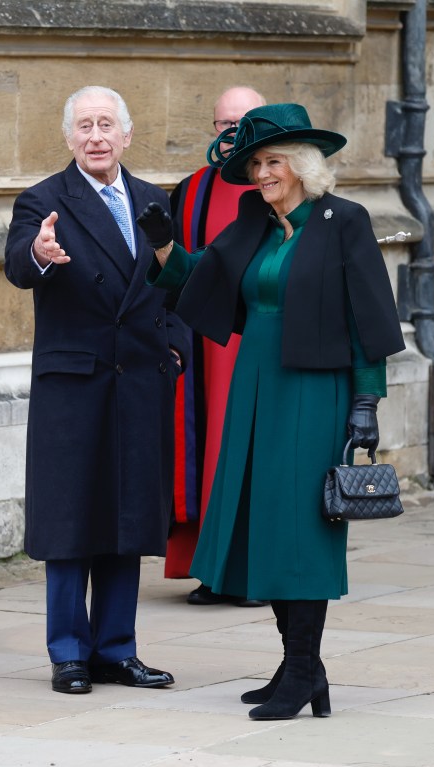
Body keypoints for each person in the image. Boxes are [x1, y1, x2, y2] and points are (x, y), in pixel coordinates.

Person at [139, 103, 405, 719]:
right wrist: (162, 244)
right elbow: (198, 278)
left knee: (301, 532)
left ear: (304, 166)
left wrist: (367, 401)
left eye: (272, 161)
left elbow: (370, 315)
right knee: (263, 522)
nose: (262, 174)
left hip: (315, 393)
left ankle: (304, 671)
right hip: (257, 385)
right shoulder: (255, 223)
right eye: (256, 163)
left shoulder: (344, 221)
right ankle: (298, 665)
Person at [4, 86, 189, 695]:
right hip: (75, 387)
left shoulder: (153, 200)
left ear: (126, 134)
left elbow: (178, 281)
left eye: (106, 124)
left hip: (139, 382)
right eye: (84, 126)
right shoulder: (43, 200)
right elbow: (16, 264)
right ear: (69, 137)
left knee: (127, 518)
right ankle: (69, 654)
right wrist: (39, 251)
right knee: (71, 521)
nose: (96, 136)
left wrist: (176, 350)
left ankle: (117, 649)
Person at [166, 86, 270, 608]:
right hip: (201, 347)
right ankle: (210, 569)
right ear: (213, 130)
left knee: (250, 452)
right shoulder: (188, 190)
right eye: (224, 123)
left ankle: (251, 570)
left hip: (258, 343)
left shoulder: (278, 186)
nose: (233, 132)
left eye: (245, 121)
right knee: (205, 453)